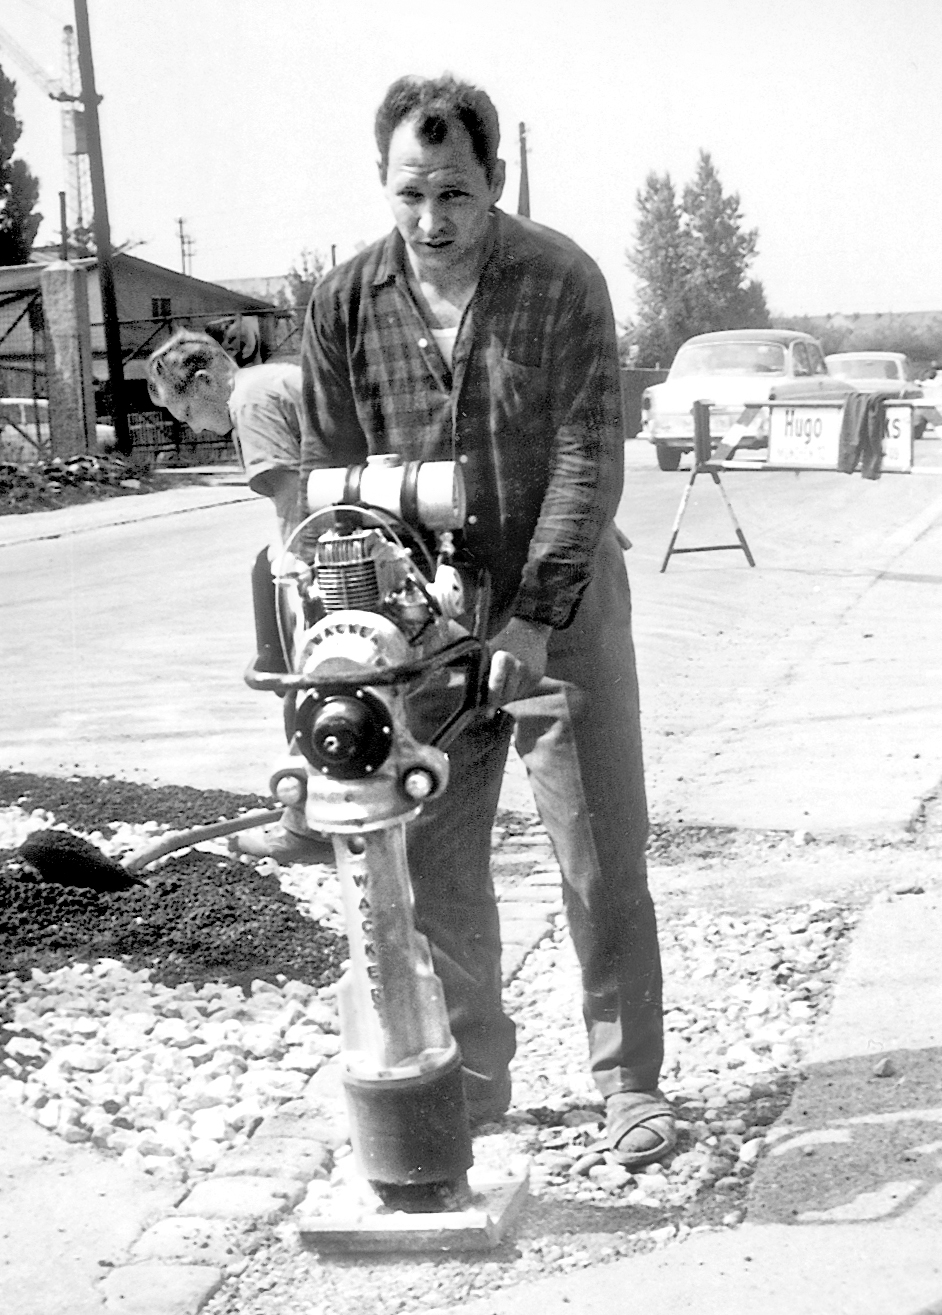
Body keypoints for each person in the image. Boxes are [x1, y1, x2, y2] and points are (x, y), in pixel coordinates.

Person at [240, 74, 674, 1169]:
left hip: (559, 605)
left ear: (496, 180)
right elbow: (342, 495)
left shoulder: (561, 279)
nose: (432, 221)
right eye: (411, 193)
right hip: (416, 620)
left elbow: (587, 459)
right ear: (384, 184)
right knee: (432, 862)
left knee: (597, 852)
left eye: (456, 195)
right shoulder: (342, 302)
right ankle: (474, 1078)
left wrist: (532, 616)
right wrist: (362, 636)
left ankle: (629, 1083)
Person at [144, 331, 333, 860]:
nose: (190, 427)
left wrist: (295, 567)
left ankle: (307, 827)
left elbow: (292, 496)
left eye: (184, 411)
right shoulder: (272, 380)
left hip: (334, 548)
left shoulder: (249, 401)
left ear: (205, 381)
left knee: (308, 683)